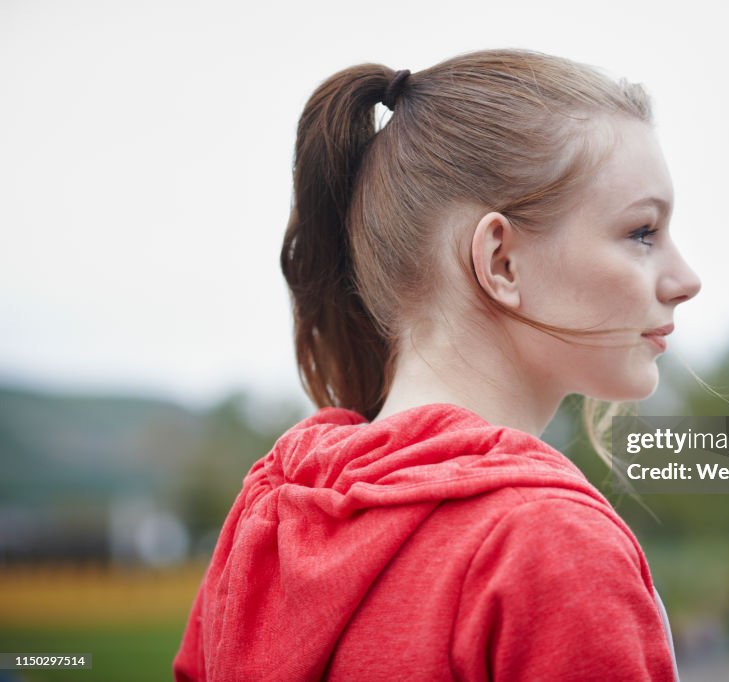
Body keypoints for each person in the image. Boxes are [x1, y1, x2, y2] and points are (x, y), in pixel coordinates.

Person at [173, 48, 700, 681]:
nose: (685, 280)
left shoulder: (267, 521)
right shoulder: (549, 547)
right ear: (501, 261)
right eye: (642, 231)